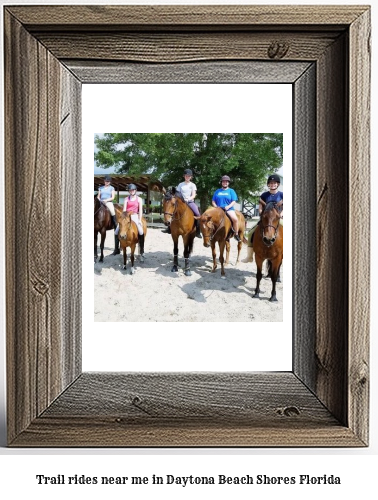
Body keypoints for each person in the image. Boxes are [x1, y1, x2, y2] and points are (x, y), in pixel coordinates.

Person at [243, 173, 283, 262]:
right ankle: (249, 256)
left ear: (278, 184)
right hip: (266, 219)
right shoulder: (264, 195)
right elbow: (260, 206)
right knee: (251, 232)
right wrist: (261, 212)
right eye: (271, 183)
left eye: (274, 183)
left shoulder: (281, 195)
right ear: (268, 184)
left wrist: (281, 214)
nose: (273, 184)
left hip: (278, 218)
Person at [162, 169, 202, 238]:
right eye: (186, 176)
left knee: (198, 213)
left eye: (189, 176)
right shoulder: (180, 184)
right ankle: (169, 228)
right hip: (180, 202)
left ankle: (198, 231)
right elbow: (177, 194)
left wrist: (188, 199)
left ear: (191, 177)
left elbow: (193, 195)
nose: (187, 177)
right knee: (172, 211)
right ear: (184, 176)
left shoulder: (193, 185)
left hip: (189, 202)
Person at [116, 183, 145, 259]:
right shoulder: (126, 199)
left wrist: (139, 219)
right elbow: (124, 210)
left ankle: (141, 249)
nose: (131, 191)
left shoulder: (139, 199)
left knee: (141, 231)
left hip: (135, 215)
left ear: (135, 190)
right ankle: (119, 247)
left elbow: (140, 210)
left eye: (133, 190)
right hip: (127, 216)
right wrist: (123, 218)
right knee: (116, 231)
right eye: (130, 190)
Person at [212, 175, 241, 242]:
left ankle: (236, 234)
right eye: (223, 182)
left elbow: (234, 201)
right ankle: (210, 233)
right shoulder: (217, 191)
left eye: (226, 182)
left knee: (235, 219)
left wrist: (228, 206)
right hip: (218, 209)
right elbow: (213, 201)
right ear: (221, 183)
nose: (225, 183)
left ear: (228, 183)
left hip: (228, 209)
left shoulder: (231, 191)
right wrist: (215, 206)